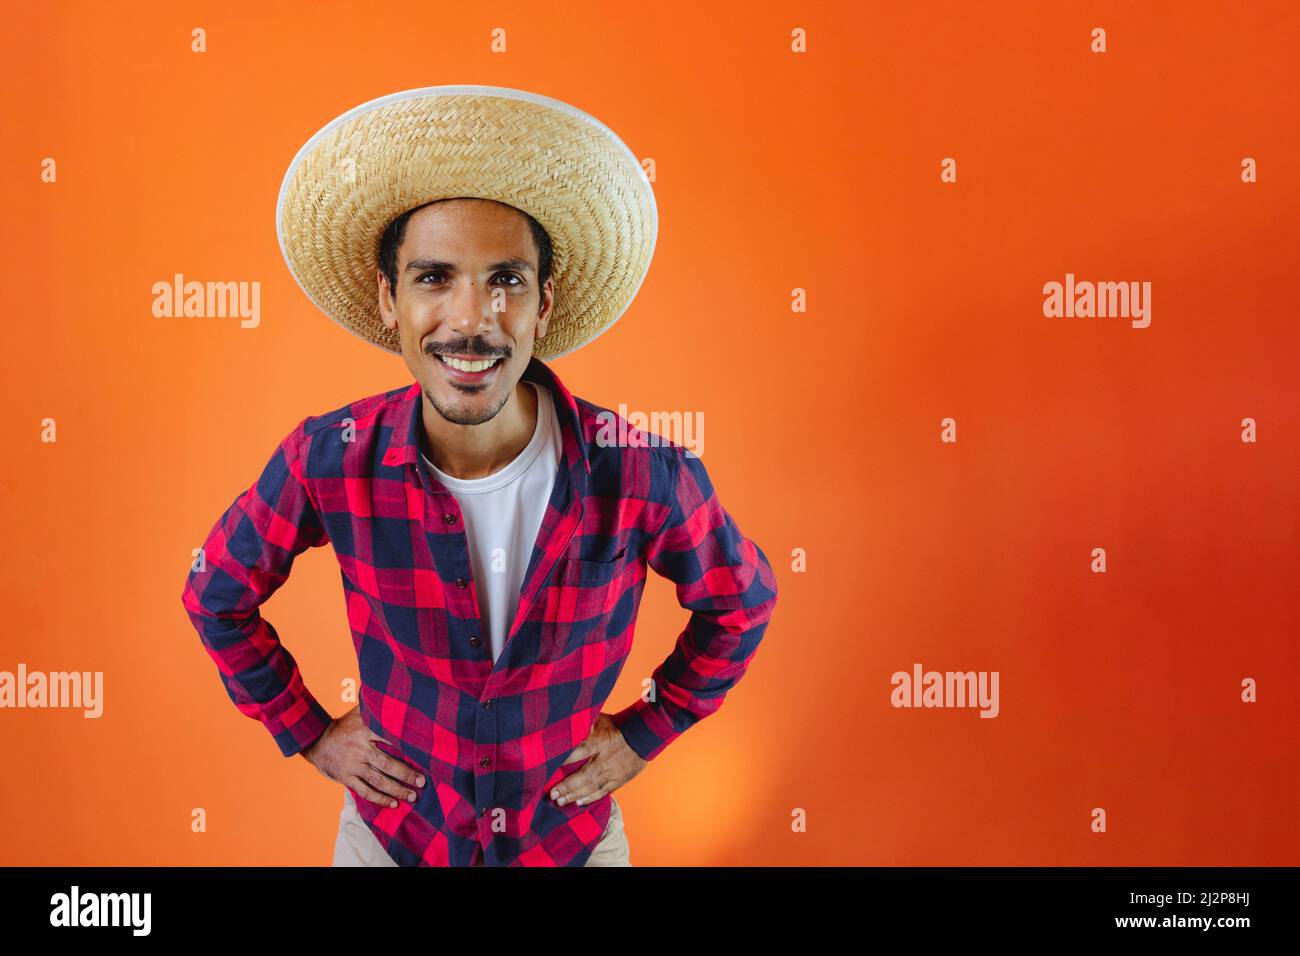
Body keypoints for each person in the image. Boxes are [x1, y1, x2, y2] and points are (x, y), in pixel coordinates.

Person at [180, 85, 778, 866]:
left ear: (543, 304)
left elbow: (741, 604)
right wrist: (310, 733)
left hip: (566, 844)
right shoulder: (329, 456)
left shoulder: (640, 471)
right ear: (388, 300)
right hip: (392, 843)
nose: (471, 319)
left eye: (506, 280)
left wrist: (645, 733)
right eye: (434, 278)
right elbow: (215, 594)